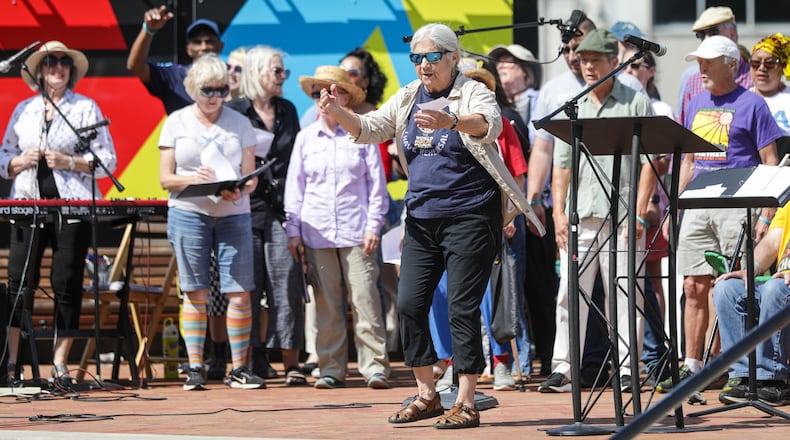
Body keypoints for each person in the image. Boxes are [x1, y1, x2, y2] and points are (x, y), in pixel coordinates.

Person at [318, 22, 534, 429]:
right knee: (409, 305)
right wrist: (338, 112)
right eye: (417, 57)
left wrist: (451, 121)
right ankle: (427, 395)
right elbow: (368, 129)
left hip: (471, 215)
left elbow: (491, 125)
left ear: (453, 57)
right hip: (421, 218)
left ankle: (467, 401)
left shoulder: (473, 90)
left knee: (462, 308)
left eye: (432, 56)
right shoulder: (407, 97)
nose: (423, 65)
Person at [657, 36, 782, 393]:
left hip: (739, 204)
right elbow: (689, 161)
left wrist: (766, 214)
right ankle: (692, 365)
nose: (702, 68)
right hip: (697, 204)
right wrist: (674, 208)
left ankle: (737, 367)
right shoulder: (694, 102)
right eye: (699, 61)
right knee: (693, 285)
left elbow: (771, 162)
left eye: (709, 61)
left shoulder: (754, 105)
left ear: (731, 64)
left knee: (734, 285)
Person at [537, 29, 655, 394]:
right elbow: (561, 166)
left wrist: (638, 212)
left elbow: (651, 162)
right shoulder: (575, 104)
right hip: (579, 215)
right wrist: (558, 214)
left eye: (595, 59)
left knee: (624, 294)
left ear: (613, 63)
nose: (587, 66)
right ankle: (563, 368)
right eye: (583, 59)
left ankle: (626, 368)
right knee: (569, 293)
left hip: (622, 216)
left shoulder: (635, 100)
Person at [0, 40, 117, 388]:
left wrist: (69, 162)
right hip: (28, 205)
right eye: (51, 62)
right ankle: (12, 363)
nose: (58, 68)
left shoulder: (85, 108)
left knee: (66, 284)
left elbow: (107, 161)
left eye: (64, 63)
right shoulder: (23, 110)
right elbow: (4, 156)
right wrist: (19, 162)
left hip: (71, 207)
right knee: (20, 284)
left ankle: (60, 364)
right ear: (39, 70)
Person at [127, 6, 232, 379]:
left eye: (209, 40)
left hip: (225, 195)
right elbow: (135, 66)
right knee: (196, 285)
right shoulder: (173, 77)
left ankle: (223, 356)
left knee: (226, 284)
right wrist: (147, 30)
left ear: (218, 45)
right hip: (188, 194)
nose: (203, 46)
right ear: (188, 48)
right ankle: (196, 363)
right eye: (196, 41)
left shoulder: (229, 76)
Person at [158, 53, 263, 391]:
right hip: (189, 212)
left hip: (233, 213)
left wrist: (241, 188)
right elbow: (165, 179)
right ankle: (194, 368)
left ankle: (239, 367)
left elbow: (251, 178)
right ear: (192, 89)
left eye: (220, 89)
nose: (215, 97)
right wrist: (193, 178)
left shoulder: (240, 123)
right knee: (195, 291)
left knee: (239, 292)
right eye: (207, 90)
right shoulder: (176, 121)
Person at [286, 66, 391, 390]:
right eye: (320, 92)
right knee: (326, 304)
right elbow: (295, 187)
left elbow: (377, 186)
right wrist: (293, 230)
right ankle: (331, 368)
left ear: (347, 97)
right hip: (316, 232)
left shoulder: (361, 134)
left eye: (334, 91)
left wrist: (374, 225)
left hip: (357, 232)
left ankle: (374, 367)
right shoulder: (305, 138)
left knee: (365, 300)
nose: (326, 98)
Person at [225, 46, 305, 384]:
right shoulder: (234, 111)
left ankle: (291, 363)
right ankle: (252, 361)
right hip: (243, 208)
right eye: (276, 71)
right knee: (248, 285)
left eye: (283, 70)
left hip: (280, 208)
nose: (282, 76)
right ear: (257, 73)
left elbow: (297, 159)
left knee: (286, 284)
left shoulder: (287, 110)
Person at [623, 46, 673, 385]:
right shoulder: (620, 104)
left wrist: (651, 202)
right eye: (625, 64)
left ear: (650, 70)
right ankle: (634, 354)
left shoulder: (659, 107)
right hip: (618, 204)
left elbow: (660, 159)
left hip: (650, 203)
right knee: (627, 282)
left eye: (638, 64)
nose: (631, 70)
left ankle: (657, 353)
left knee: (650, 280)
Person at [713, 202, 790, 406]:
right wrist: (751, 269)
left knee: (776, 289)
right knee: (727, 288)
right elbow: (771, 243)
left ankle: (773, 379)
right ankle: (743, 376)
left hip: (782, 287)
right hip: (780, 282)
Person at [678, 6, 752, 124]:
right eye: (701, 35)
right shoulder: (693, 80)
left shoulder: (755, 79)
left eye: (713, 32)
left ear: (732, 35)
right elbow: (682, 128)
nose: (706, 39)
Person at [749, 33, 790, 159]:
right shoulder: (741, 100)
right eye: (756, 63)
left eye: (769, 63)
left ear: (782, 67)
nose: (762, 68)